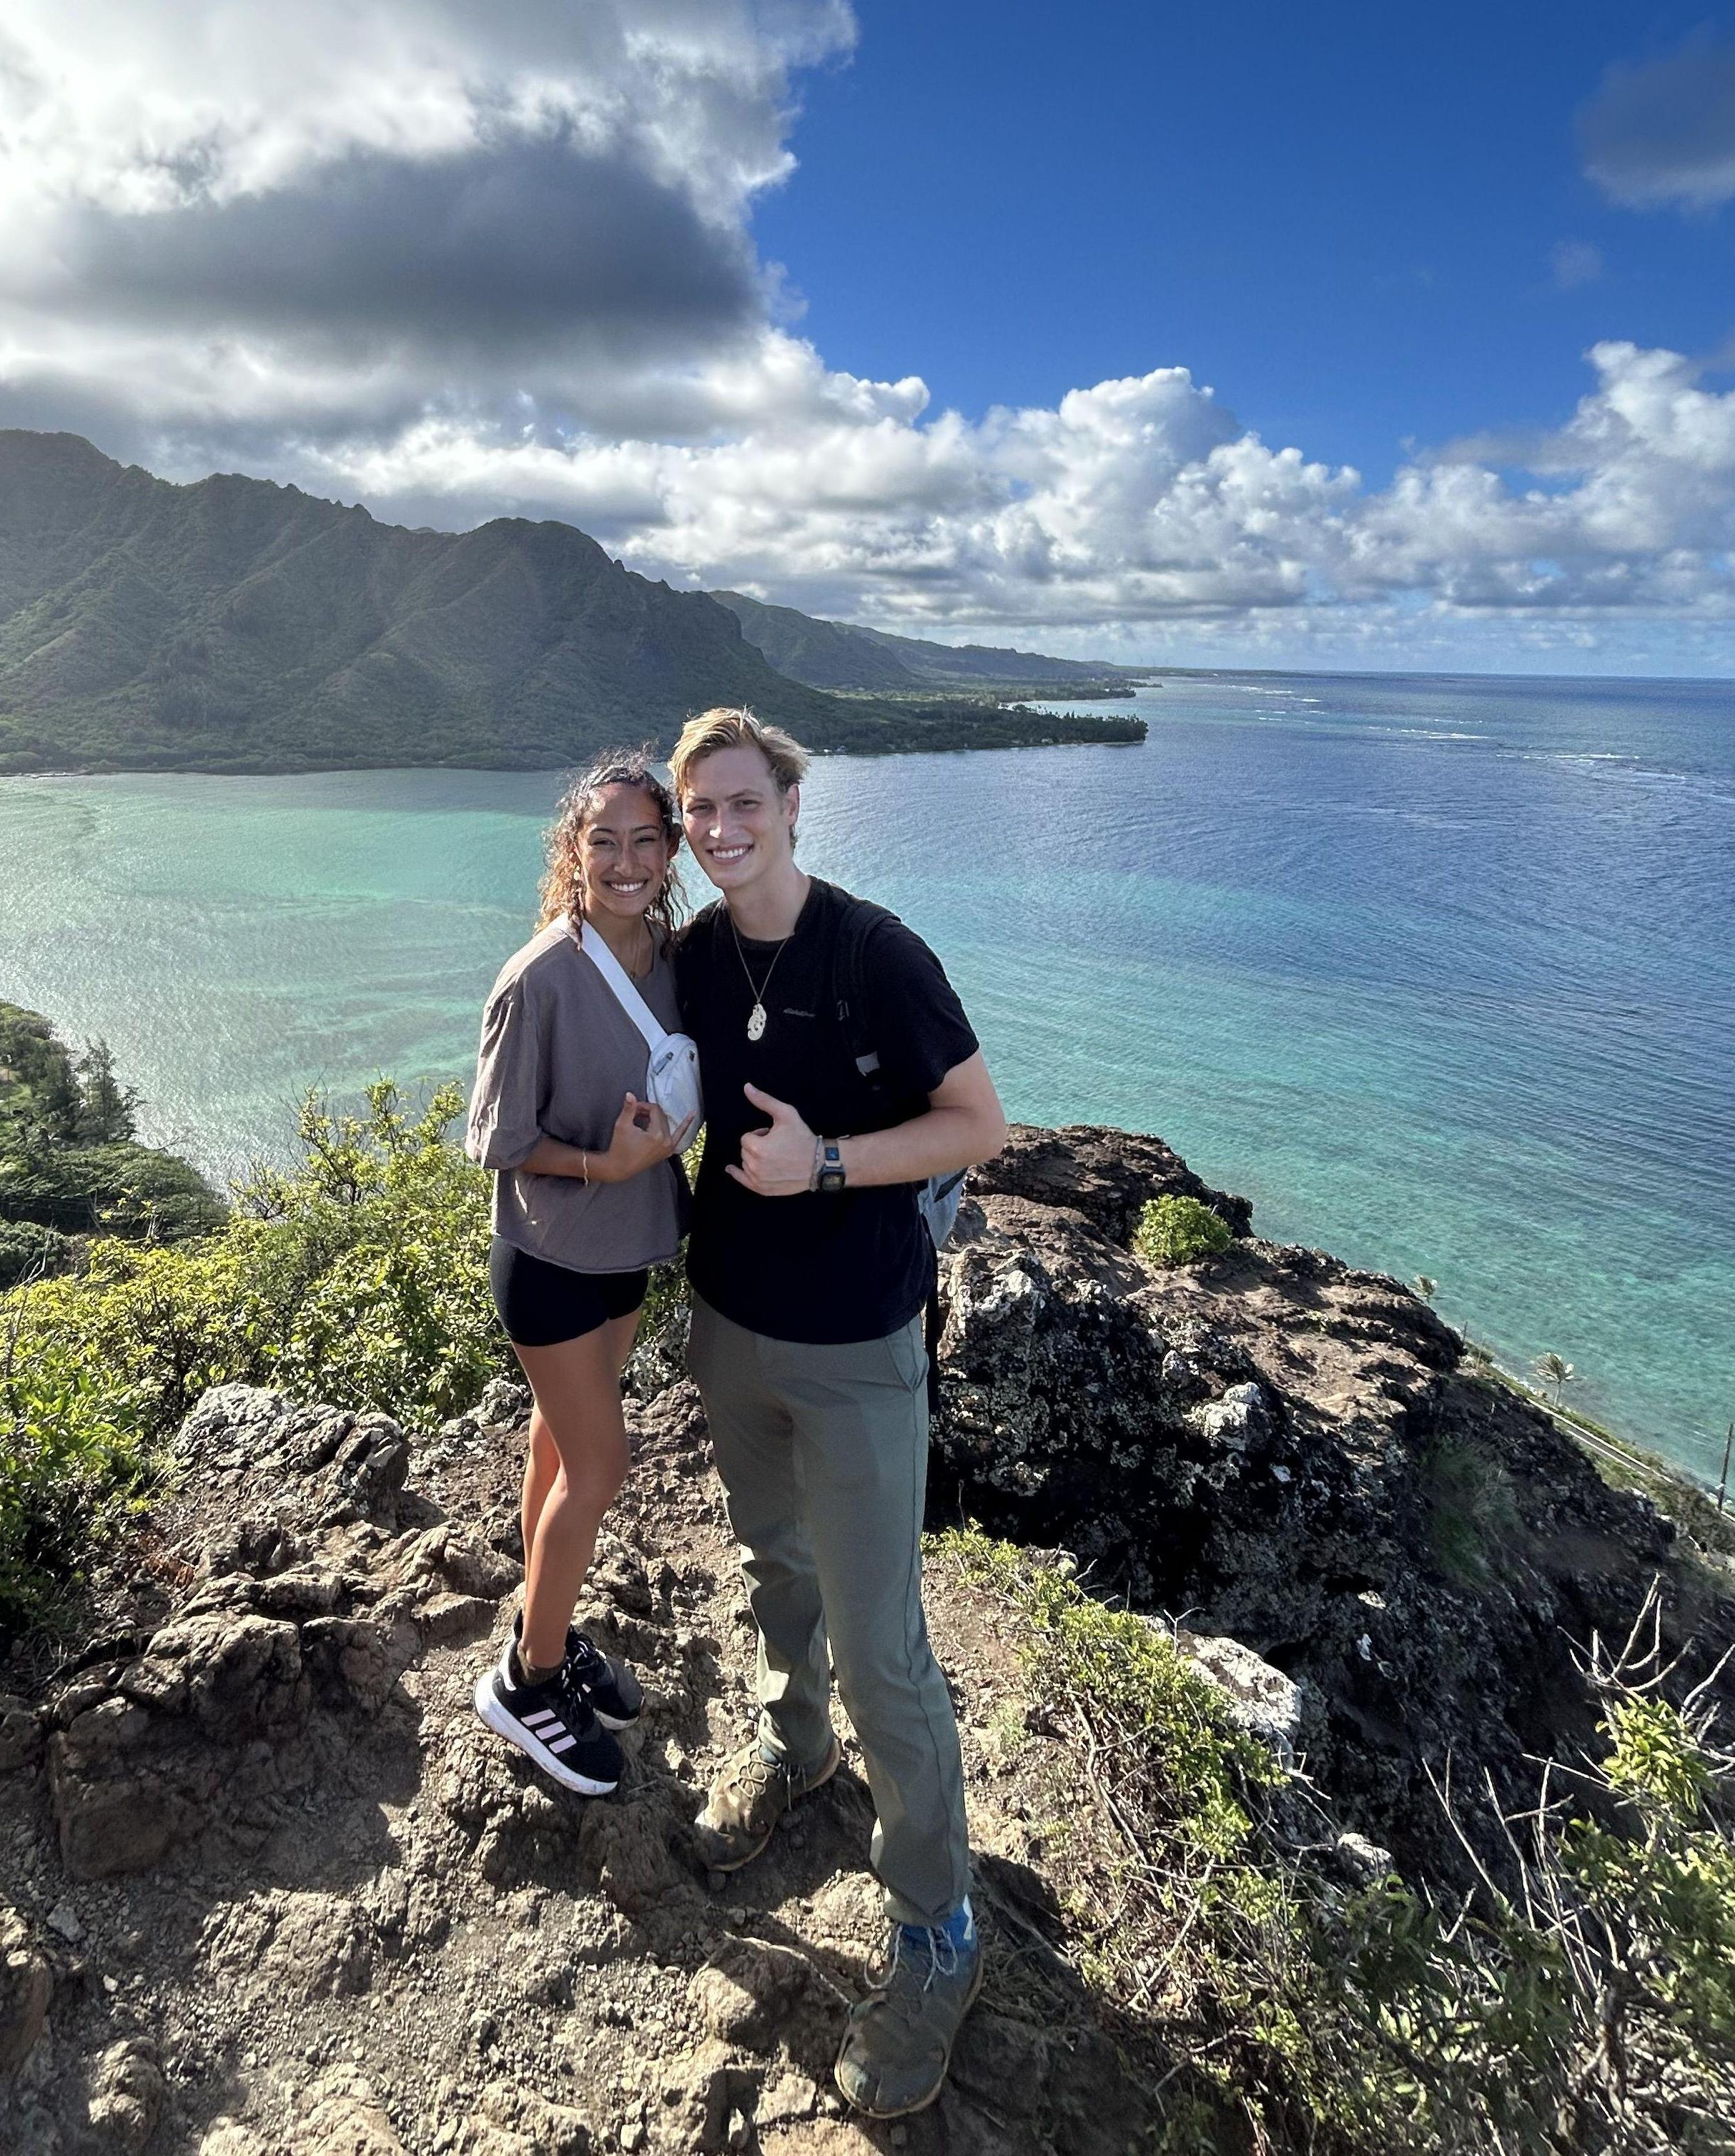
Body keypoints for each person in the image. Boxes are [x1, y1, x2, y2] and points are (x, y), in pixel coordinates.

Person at [668, 706, 1008, 2119]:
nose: (720, 829)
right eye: (699, 812)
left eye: (741, 802)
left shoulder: (877, 953)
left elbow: (978, 1121)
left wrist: (825, 1165)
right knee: (772, 1564)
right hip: (730, 1325)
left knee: (888, 1648)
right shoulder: (692, 954)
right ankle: (790, 1739)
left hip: (860, 1343)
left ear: (792, 805)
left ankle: (940, 1926)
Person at [464, 751, 689, 1796]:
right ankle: (528, 1679)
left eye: (647, 838)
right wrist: (609, 1161)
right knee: (603, 1468)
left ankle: (539, 1620)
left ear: (671, 851)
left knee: (558, 1452)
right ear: (573, 850)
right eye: (604, 839)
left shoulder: (675, 961)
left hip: (628, 1251)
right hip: (552, 1257)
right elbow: (499, 1140)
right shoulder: (540, 976)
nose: (626, 860)